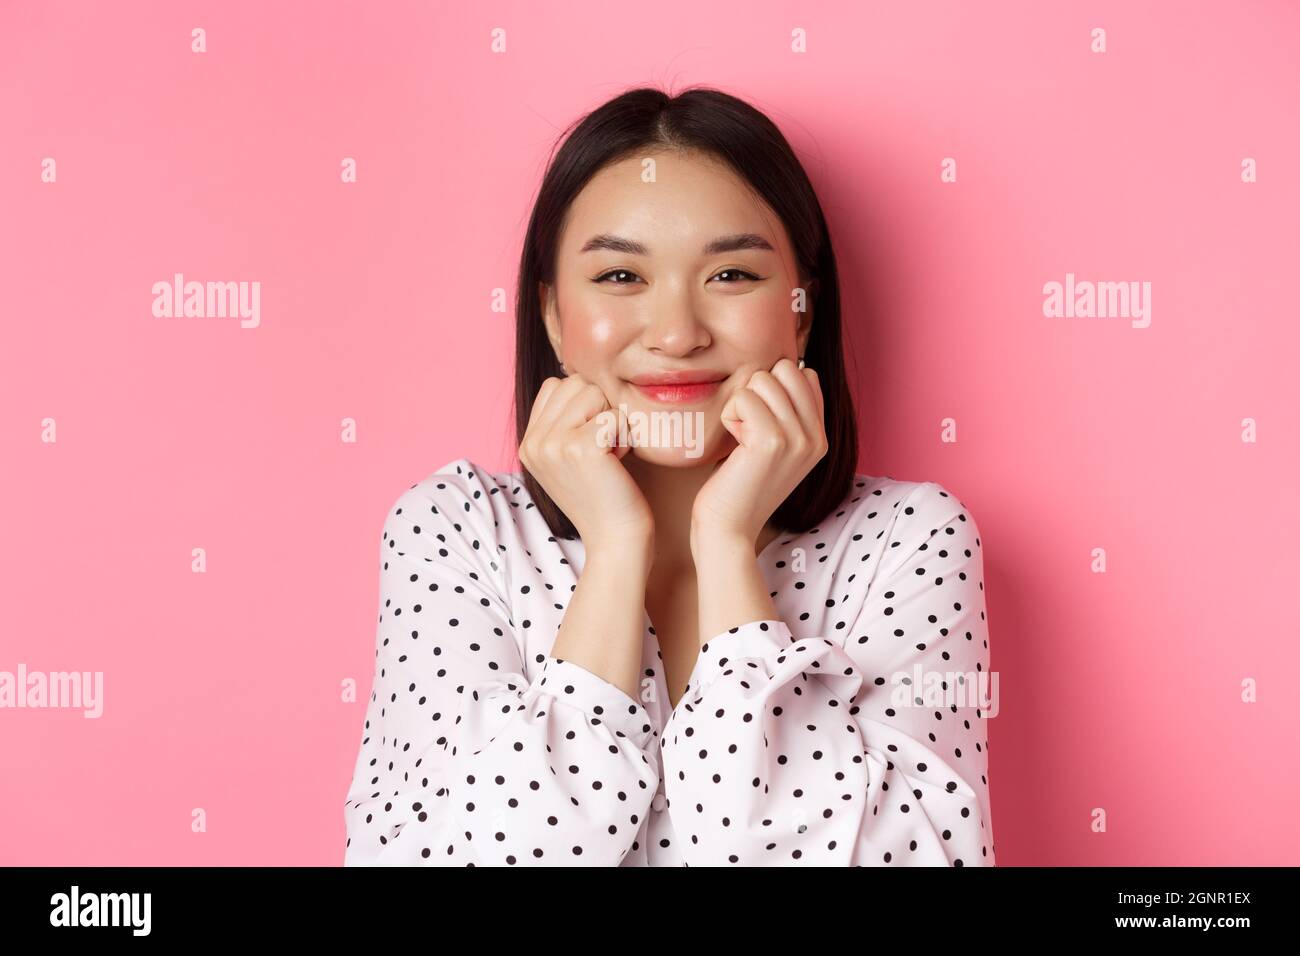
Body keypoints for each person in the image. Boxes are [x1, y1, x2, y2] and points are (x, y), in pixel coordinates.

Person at [343, 85, 995, 866]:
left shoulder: (909, 540)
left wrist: (726, 545)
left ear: (801, 311)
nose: (679, 334)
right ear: (552, 315)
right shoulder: (454, 531)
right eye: (620, 277)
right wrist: (616, 550)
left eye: (731, 277)